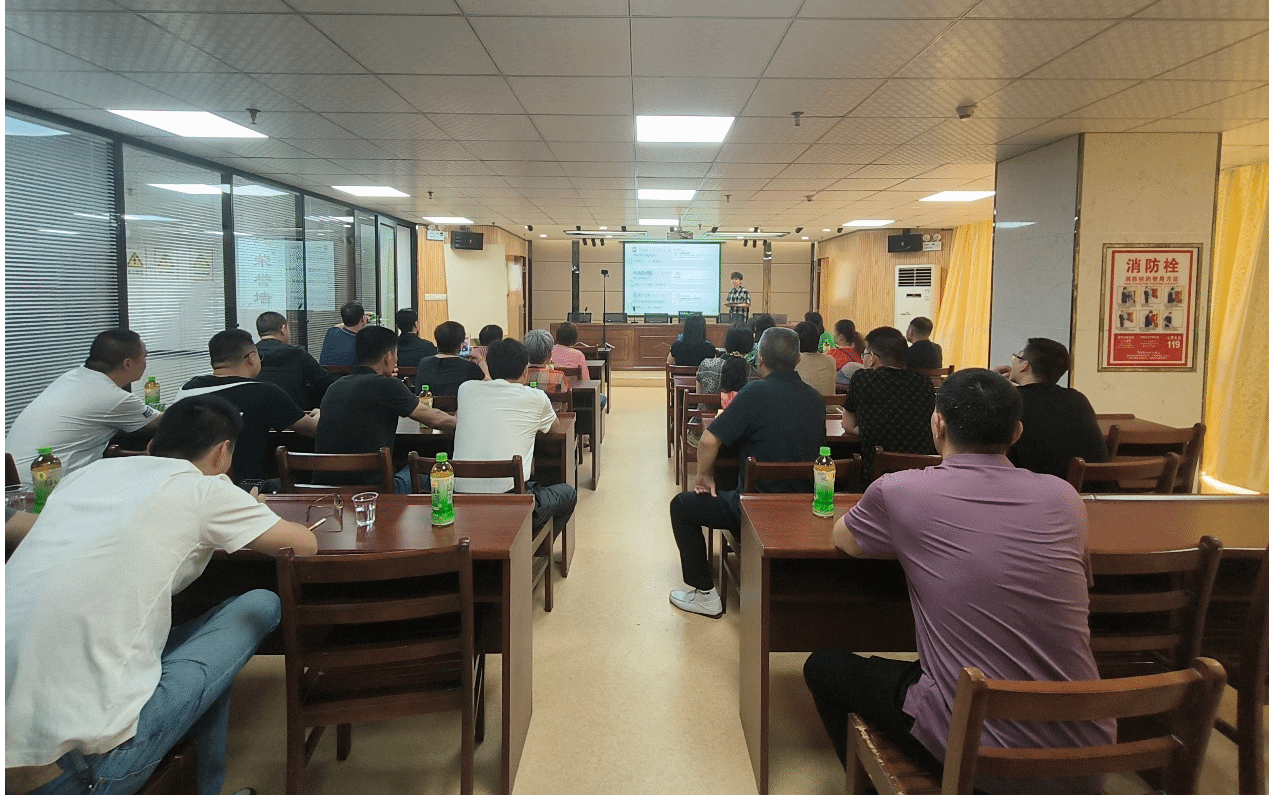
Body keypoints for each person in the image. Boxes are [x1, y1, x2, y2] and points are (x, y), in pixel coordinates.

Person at [803, 369, 1113, 795]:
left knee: (823, 667)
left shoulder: (901, 490)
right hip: (1089, 755)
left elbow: (847, 541)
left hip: (980, 755)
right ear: (1016, 432)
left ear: (938, 424)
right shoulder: (1065, 498)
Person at [5, 395, 318, 795]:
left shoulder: (84, 477)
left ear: (152, 446)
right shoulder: (205, 492)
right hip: (79, 773)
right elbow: (303, 544)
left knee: (186, 645)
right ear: (223, 453)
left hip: (29, 757)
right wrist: (247, 508)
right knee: (261, 602)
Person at [667, 327, 824, 618]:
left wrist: (704, 476)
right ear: (798, 359)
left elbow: (708, 441)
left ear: (760, 357)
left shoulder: (754, 393)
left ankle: (705, 595)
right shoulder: (815, 398)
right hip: (805, 509)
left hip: (755, 510)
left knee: (682, 506)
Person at [453, 338, 577, 538]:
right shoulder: (536, 397)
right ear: (525, 371)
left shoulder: (465, 390)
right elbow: (554, 427)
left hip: (460, 504)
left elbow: (490, 385)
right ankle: (533, 549)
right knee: (567, 494)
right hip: (511, 507)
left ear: (489, 368)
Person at [6, 329, 161, 486]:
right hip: (42, 487)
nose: (145, 363)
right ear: (128, 363)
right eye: (144, 356)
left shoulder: (71, 377)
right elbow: (164, 421)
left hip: (14, 481)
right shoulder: (112, 396)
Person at [316, 326, 455, 492]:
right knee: (434, 471)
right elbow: (436, 419)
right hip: (375, 491)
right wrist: (464, 423)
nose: (397, 359)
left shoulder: (334, 387)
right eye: (396, 354)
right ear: (388, 357)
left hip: (327, 490)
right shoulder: (388, 385)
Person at [173, 329, 319, 485]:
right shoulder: (264, 392)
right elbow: (313, 429)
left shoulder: (186, 390)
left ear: (212, 362)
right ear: (251, 358)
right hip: (245, 489)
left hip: (186, 484)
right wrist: (319, 414)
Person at [995, 338, 1108, 478]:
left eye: (1016, 357)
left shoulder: (1010, 400)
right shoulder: (1077, 398)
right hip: (1092, 485)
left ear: (1024, 365)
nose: (1012, 362)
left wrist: (991, 380)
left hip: (1037, 486)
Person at [844, 327, 936, 484]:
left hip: (877, 480)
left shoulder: (862, 378)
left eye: (864, 355)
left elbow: (848, 425)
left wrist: (868, 427)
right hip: (920, 479)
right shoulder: (924, 382)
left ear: (873, 358)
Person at [255, 311, 336, 410]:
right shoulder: (297, 353)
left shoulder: (251, 355)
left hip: (257, 413)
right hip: (295, 415)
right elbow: (325, 381)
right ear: (283, 329)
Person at [414, 321, 488, 397]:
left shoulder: (424, 363)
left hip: (429, 404)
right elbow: (490, 385)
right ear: (461, 345)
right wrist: (480, 359)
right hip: (461, 405)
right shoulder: (470, 367)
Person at [695, 324, 759, 395]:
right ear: (750, 345)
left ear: (727, 342)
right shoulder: (755, 375)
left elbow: (698, 398)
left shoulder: (705, 366)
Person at [793, 321, 838, 396]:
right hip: (831, 403)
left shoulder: (794, 362)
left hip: (805, 402)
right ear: (818, 340)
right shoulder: (831, 360)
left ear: (796, 341)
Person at [318, 301, 367, 366]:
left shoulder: (331, 332)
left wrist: (360, 318)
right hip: (354, 373)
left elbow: (338, 326)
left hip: (328, 372)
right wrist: (362, 320)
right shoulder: (363, 342)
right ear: (362, 319)